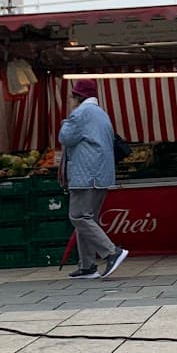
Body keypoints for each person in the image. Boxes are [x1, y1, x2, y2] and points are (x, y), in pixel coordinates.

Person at [58, 78, 128, 280]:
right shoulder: (101, 113)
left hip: (85, 174)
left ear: (78, 97)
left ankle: (111, 252)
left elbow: (65, 137)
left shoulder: (80, 113)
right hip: (102, 174)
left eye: (72, 96)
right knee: (88, 219)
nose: (70, 100)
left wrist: (66, 121)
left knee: (78, 216)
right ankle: (87, 266)